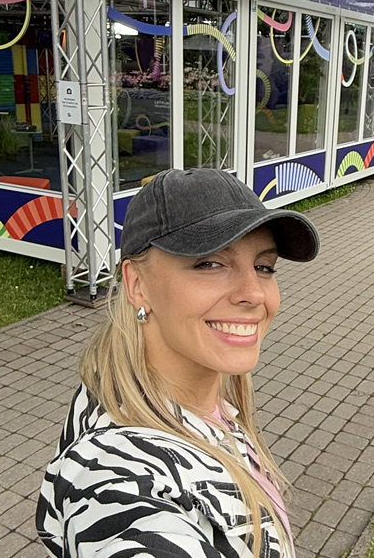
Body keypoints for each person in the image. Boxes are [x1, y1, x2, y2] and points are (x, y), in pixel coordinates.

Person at [36, 168, 320, 558]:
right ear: (137, 284)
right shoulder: (117, 475)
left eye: (264, 266)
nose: (254, 293)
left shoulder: (128, 383)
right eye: (210, 264)